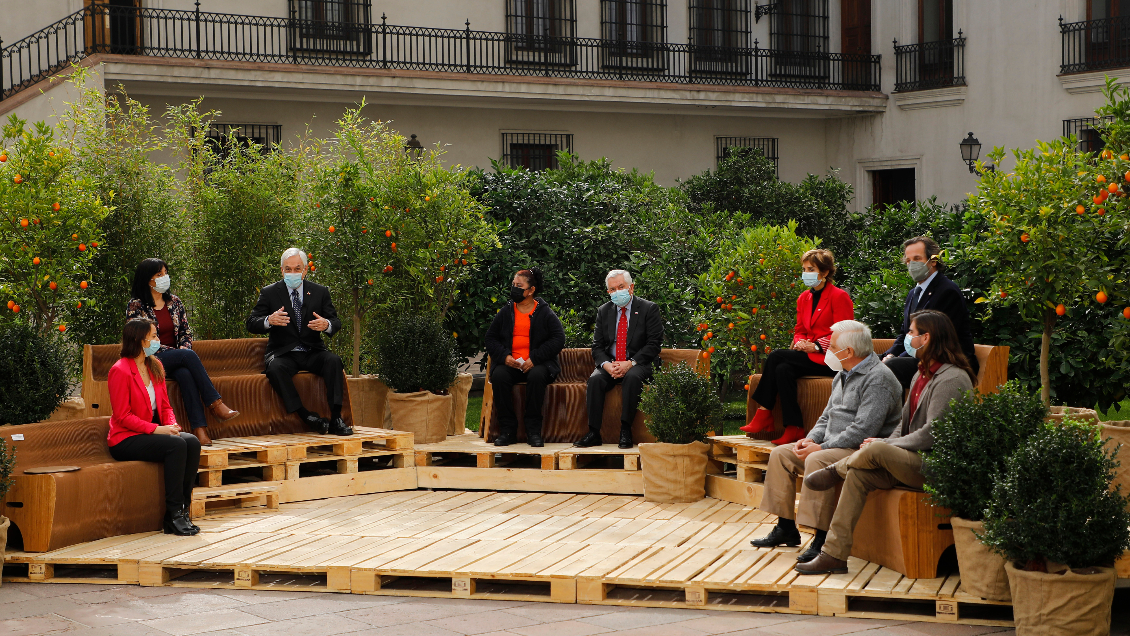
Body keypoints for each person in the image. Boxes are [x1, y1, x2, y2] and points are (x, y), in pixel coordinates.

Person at [796, 310, 977, 574]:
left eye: (912, 333)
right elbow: (902, 425)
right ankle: (834, 554)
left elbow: (932, 433)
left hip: (935, 466)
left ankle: (836, 470)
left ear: (926, 338)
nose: (907, 338)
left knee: (878, 447)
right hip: (912, 459)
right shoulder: (921, 374)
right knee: (859, 473)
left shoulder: (952, 378)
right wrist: (885, 443)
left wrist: (886, 446)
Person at [750, 320, 902, 564]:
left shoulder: (879, 378)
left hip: (861, 449)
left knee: (817, 459)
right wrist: (809, 439)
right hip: (832, 445)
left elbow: (864, 429)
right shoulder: (842, 373)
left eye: (832, 347)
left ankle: (821, 538)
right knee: (781, 455)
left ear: (848, 352)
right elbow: (826, 417)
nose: (828, 351)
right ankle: (785, 527)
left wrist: (820, 447)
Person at [742, 249, 854, 445]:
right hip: (809, 356)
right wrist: (801, 342)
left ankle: (764, 412)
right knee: (783, 369)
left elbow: (845, 331)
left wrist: (817, 346)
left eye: (811, 269)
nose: (806, 273)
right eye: (804, 269)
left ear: (825, 272)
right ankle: (794, 427)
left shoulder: (839, 296)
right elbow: (800, 329)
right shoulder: (804, 298)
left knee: (776, 356)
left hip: (831, 359)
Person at [126, 258, 239, 446]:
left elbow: (186, 332)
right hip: (149, 358)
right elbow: (138, 338)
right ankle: (216, 404)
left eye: (165, 273)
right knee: (187, 356)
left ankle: (199, 429)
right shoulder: (136, 305)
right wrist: (180, 353)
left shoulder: (175, 302)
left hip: (177, 359)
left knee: (185, 374)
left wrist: (182, 349)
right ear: (148, 279)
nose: (164, 277)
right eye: (159, 274)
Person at [107, 318, 201, 537]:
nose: (158, 340)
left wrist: (171, 424)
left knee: (192, 442)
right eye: (154, 336)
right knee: (176, 445)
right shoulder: (119, 370)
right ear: (141, 341)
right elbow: (122, 416)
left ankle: (183, 510)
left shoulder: (155, 365)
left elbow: (165, 406)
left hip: (150, 432)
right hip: (125, 439)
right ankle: (173, 515)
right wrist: (156, 429)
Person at [246, 247, 351, 436]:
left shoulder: (320, 292)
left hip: (312, 350)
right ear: (282, 271)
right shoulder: (270, 293)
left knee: (334, 361)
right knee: (275, 369)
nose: (292, 273)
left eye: (297, 269)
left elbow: (335, 322)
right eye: (288, 269)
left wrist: (325, 324)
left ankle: (336, 418)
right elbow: (251, 322)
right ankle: (307, 416)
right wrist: (269, 320)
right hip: (283, 353)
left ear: (305, 270)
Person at [575, 269, 664, 449]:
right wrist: (607, 365)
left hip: (639, 362)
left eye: (621, 287)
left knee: (632, 377)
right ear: (608, 292)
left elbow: (654, 344)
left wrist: (630, 363)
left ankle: (625, 430)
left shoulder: (648, 308)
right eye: (612, 289)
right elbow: (597, 346)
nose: (617, 292)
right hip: (612, 363)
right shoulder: (604, 311)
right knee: (595, 380)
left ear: (631, 287)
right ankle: (593, 432)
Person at [882, 236, 978, 390]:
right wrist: (889, 354)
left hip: (945, 361)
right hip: (920, 357)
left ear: (933, 261)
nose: (911, 264)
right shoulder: (913, 293)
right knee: (870, 362)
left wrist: (895, 359)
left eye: (917, 259)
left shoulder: (947, 291)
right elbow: (904, 334)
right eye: (908, 260)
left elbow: (936, 339)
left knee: (890, 367)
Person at [484, 268, 566, 448]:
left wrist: (535, 358)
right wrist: (504, 357)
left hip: (536, 364)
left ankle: (533, 431)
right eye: (513, 284)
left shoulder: (544, 312)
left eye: (519, 286)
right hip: (511, 364)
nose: (514, 288)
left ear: (531, 290)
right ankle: (507, 431)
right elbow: (490, 338)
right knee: (499, 376)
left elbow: (558, 339)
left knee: (537, 376)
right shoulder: (506, 311)